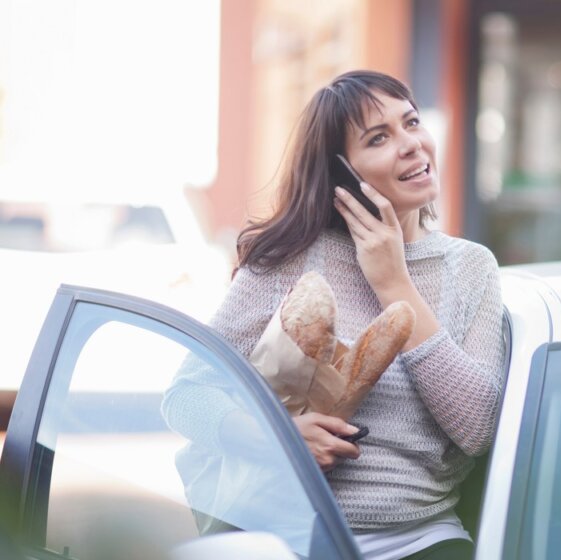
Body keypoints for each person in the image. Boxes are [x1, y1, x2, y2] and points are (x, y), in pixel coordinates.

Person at [163, 70, 506, 560]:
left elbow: (478, 428)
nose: (410, 144)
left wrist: (394, 284)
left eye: (411, 123)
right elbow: (187, 395)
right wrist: (276, 438)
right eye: (380, 138)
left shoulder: (471, 268)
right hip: (278, 533)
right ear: (343, 171)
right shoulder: (290, 260)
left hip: (420, 539)